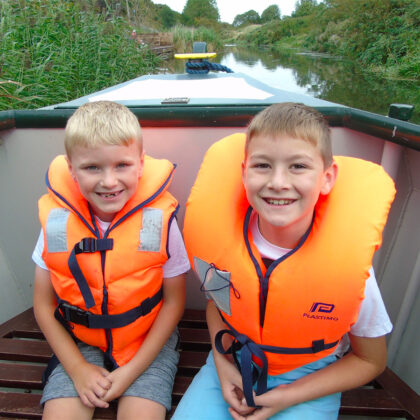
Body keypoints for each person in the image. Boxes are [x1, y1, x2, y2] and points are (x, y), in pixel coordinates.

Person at [173, 103, 396, 420]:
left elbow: (370, 361)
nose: (278, 182)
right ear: (243, 173)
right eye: (262, 165)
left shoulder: (350, 269)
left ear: (327, 178)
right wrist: (223, 368)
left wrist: (285, 397)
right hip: (231, 362)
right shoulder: (222, 243)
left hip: (308, 382)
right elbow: (218, 306)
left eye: (298, 167)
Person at [32, 101, 189, 420]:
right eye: (92, 168)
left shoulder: (159, 221)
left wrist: (131, 373)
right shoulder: (57, 222)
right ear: (72, 169)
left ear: (141, 164)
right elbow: (43, 305)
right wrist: (77, 369)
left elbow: (174, 302)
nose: (109, 181)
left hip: (146, 343)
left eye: (122, 166)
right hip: (79, 341)